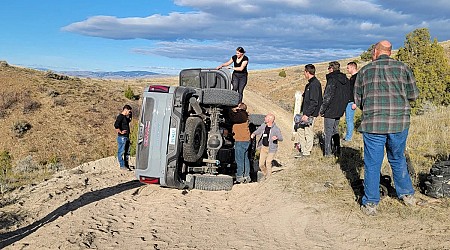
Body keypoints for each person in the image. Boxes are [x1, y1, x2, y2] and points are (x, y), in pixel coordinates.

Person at [355, 40, 419, 216]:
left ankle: (371, 203)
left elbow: (358, 100)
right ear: (390, 52)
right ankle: (406, 195)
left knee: (372, 163)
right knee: (397, 158)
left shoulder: (365, 71)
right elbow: (413, 95)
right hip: (399, 123)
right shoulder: (403, 68)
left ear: (376, 51)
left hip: (373, 124)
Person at [320, 61, 350, 157]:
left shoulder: (332, 79)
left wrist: (322, 109)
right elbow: (347, 94)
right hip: (340, 109)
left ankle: (327, 153)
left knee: (328, 131)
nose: (328, 70)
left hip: (330, 109)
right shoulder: (345, 79)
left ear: (331, 68)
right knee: (335, 130)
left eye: (329, 68)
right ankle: (337, 150)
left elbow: (328, 96)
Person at [294, 64, 323, 158]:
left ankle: (307, 152)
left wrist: (307, 114)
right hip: (305, 112)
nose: (304, 73)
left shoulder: (315, 84)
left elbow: (314, 102)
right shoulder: (309, 84)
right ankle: (303, 149)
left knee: (308, 131)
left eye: (304, 72)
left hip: (309, 113)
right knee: (300, 130)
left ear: (307, 72)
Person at [251, 113, 283, 179]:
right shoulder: (263, 126)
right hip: (264, 147)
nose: (264, 118)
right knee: (261, 164)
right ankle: (266, 174)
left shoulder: (276, 129)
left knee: (268, 162)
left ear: (270, 120)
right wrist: (254, 134)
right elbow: (258, 130)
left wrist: (276, 137)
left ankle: (269, 177)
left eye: (266, 118)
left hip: (271, 148)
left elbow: (281, 138)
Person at [229, 103, 251, 184]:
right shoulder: (244, 115)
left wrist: (230, 110)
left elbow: (233, 118)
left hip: (241, 140)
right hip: (245, 140)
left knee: (239, 159)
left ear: (240, 108)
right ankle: (246, 176)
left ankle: (240, 176)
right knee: (245, 158)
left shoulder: (241, 115)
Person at [114, 105, 133, 171]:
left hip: (126, 137)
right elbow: (116, 125)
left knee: (127, 152)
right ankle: (122, 165)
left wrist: (130, 115)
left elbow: (129, 120)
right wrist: (120, 132)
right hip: (122, 137)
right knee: (121, 152)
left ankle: (126, 165)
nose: (129, 113)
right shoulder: (120, 117)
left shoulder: (125, 118)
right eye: (129, 111)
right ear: (126, 110)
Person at [344, 61, 358, 142]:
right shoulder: (352, 77)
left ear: (353, 67)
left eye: (348, 67)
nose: (347, 69)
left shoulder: (357, 77)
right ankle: (348, 136)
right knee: (348, 119)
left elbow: (357, 91)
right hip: (349, 101)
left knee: (349, 119)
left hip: (352, 102)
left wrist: (355, 102)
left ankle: (349, 138)